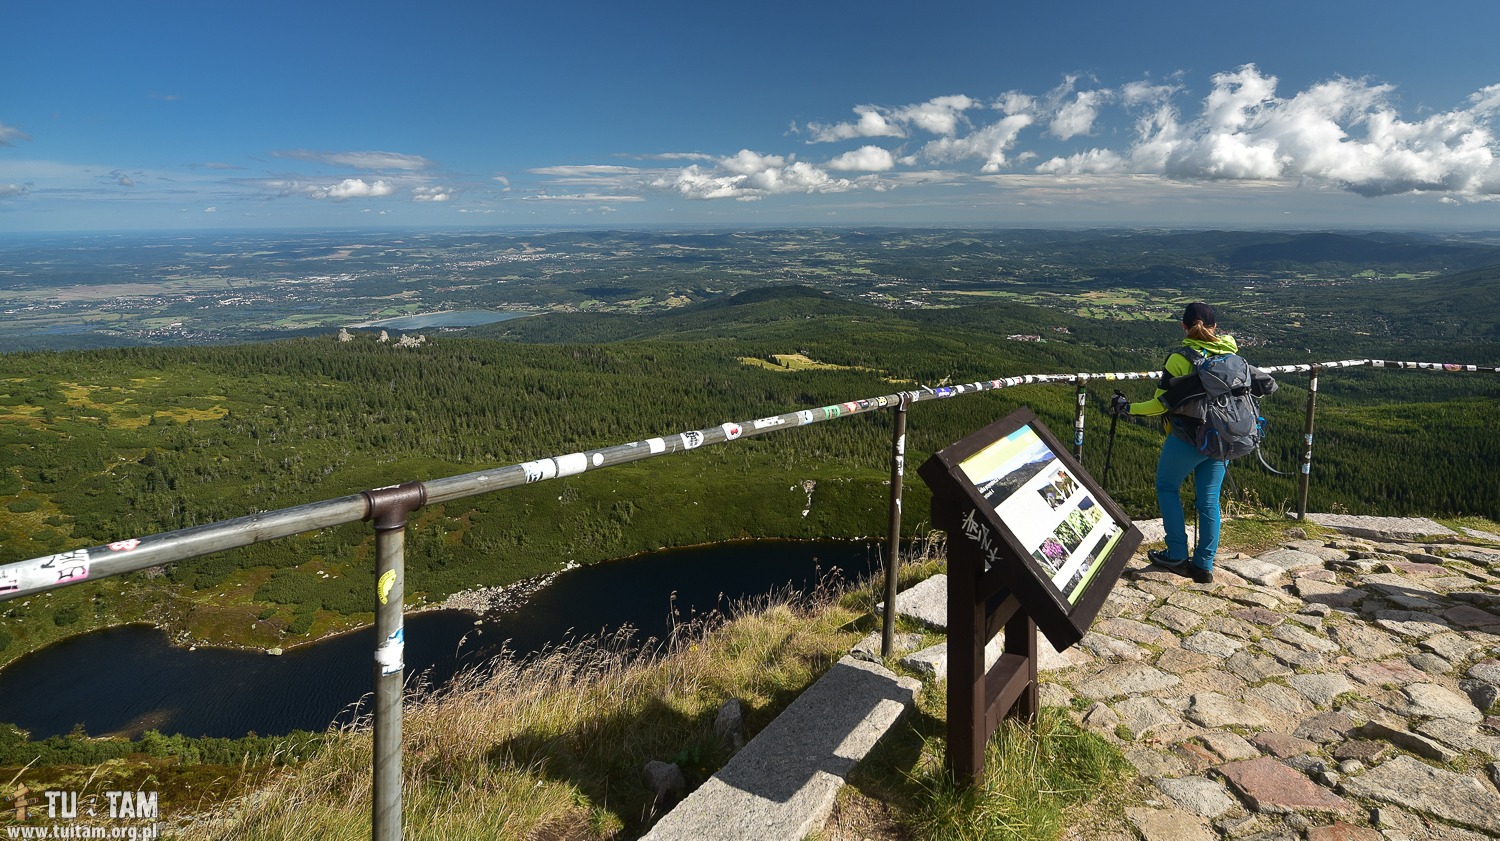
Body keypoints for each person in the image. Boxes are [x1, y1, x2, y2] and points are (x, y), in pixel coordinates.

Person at [1109, 302, 1276, 584]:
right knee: (1209, 500)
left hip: (1189, 437)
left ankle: (1175, 553)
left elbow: (1160, 405)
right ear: (1215, 328)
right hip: (1223, 439)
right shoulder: (1232, 354)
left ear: (1184, 327)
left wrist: (1127, 408)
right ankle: (1204, 564)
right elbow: (1269, 385)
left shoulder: (1179, 359)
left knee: (1167, 486)